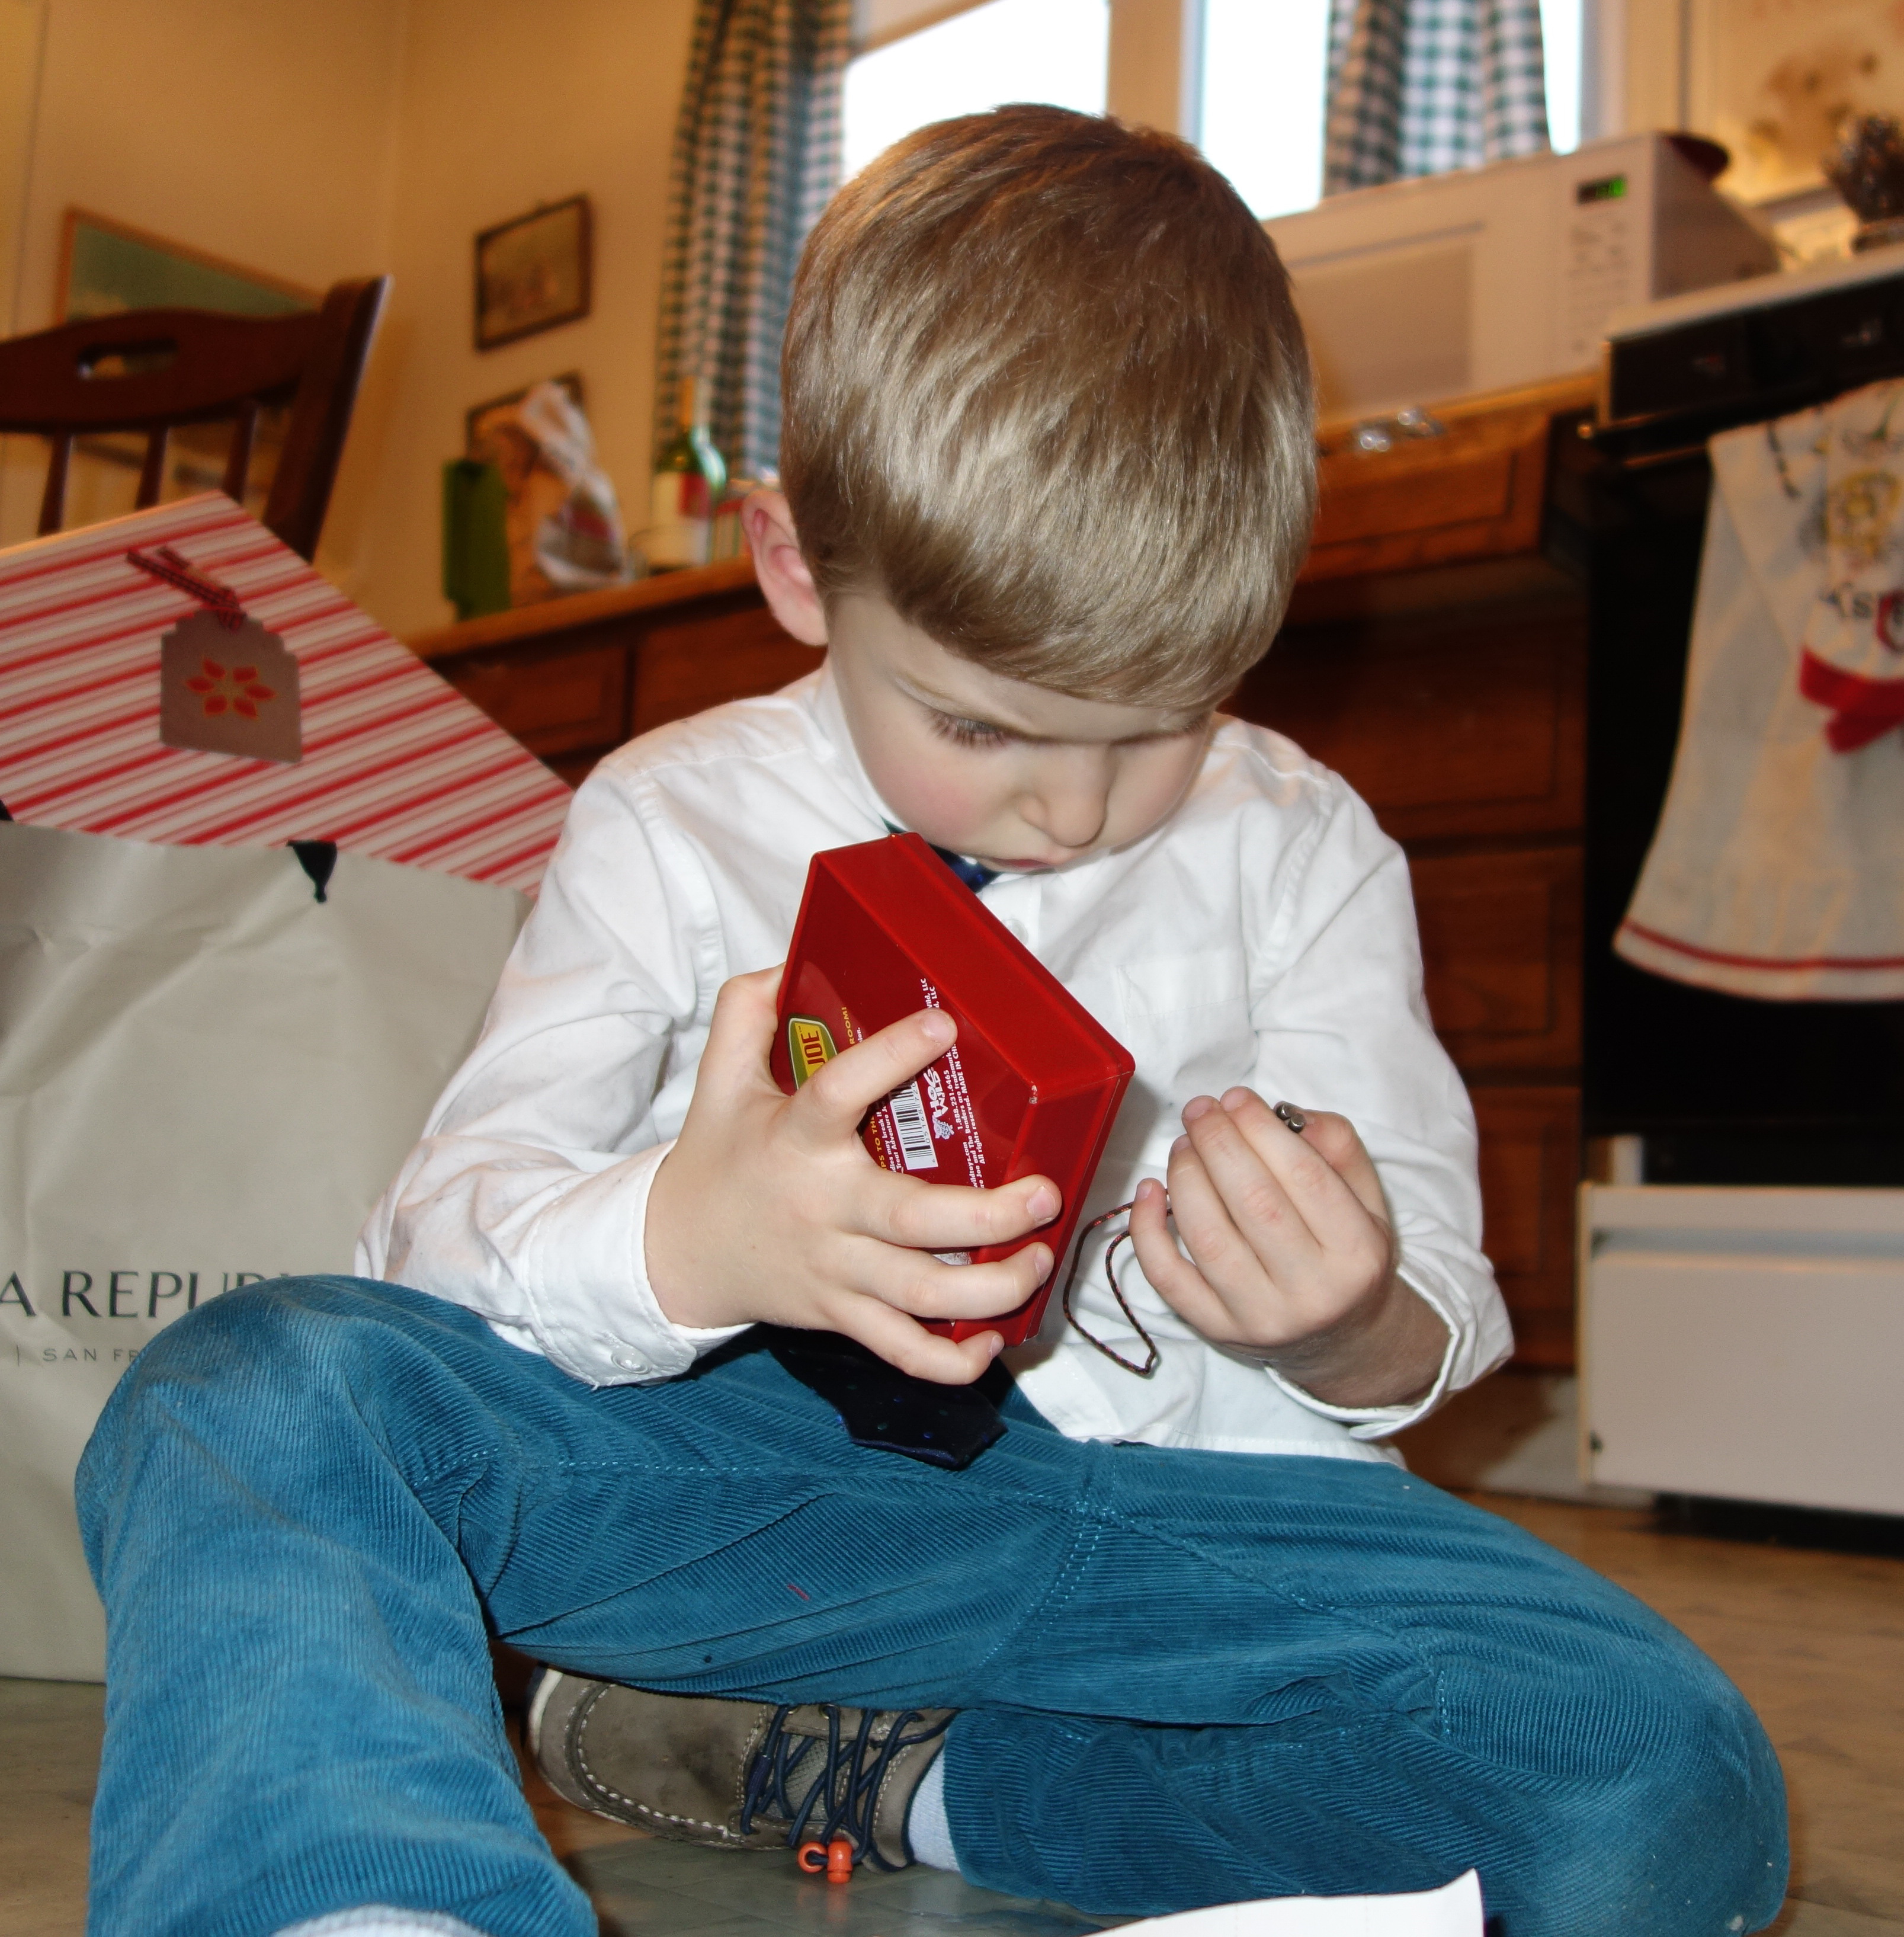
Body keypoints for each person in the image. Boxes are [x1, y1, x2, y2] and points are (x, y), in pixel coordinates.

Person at [77, 108, 1787, 1937]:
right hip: (769, 1501)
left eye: (1160, 725)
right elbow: (429, 1237)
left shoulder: (1302, 852)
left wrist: (1351, 1314)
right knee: (251, 1388)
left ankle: (916, 1784)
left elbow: (1436, 1311)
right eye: (981, 728)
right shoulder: (671, 820)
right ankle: (362, 1909)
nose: (1074, 810)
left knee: (1660, 1789)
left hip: (1193, 1522)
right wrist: (690, 1238)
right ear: (801, 565)